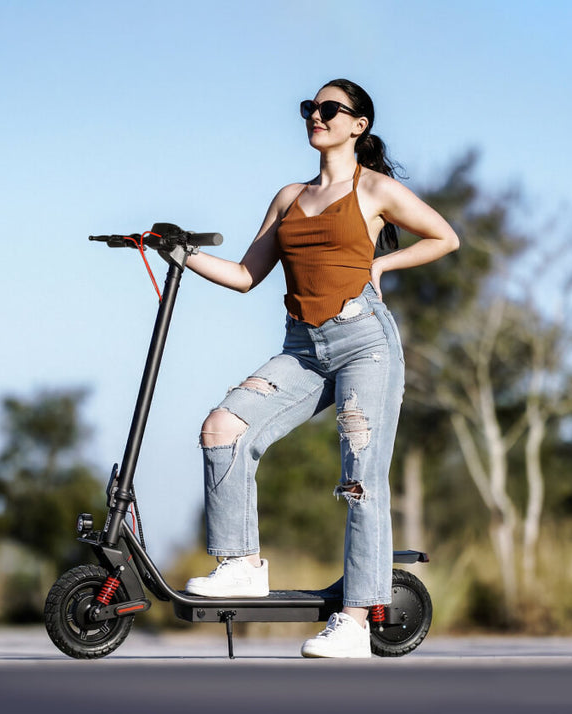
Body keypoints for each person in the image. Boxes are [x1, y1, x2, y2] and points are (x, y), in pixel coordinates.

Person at [182, 78, 459, 658]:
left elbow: (445, 236)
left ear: (358, 125)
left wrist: (384, 267)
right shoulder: (288, 196)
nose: (316, 116)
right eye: (310, 108)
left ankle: (356, 620)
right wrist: (181, 253)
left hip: (364, 344)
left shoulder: (375, 189)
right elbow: (244, 276)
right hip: (303, 349)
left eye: (330, 109)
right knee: (223, 427)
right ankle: (239, 563)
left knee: (360, 478)